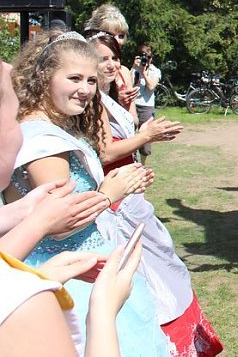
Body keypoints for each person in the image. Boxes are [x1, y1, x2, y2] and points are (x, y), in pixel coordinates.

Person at [6, 28, 171, 356]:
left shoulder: (52, 126)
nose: (85, 90)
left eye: (91, 81)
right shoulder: (43, 141)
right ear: (43, 76)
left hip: (84, 263)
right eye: (74, 79)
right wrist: (111, 192)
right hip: (69, 277)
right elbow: (59, 222)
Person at [88, 32, 223, 356]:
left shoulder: (109, 96)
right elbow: (105, 152)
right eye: (102, 57)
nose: (110, 64)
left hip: (131, 193)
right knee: (143, 276)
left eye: (115, 56)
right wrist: (148, 134)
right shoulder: (91, 101)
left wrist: (129, 106)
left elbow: (123, 134)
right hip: (116, 198)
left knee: (163, 266)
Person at [84, 4, 138, 113]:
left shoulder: (124, 72)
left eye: (121, 35)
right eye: (111, 35)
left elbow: (134, 120)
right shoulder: (86, 73)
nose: (117, 41)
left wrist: (124, 106)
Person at [132, 44, 161, 165]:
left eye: (148, 57)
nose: (146, 60)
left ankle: (142, 165)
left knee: (145, 137)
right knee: (129, 135)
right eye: (144, 57)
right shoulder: (135, 69)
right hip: (132, 104)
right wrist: (134, 67)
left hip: (146, 106)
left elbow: (151, 86)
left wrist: (144, 73)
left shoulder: (155, 71)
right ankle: (131, 162)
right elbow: (126, 83)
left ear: (151, 58)